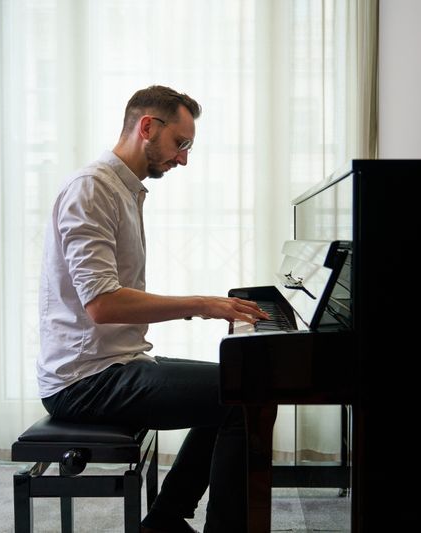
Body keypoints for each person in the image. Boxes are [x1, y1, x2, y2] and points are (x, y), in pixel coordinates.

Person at [36, 85, 268, 533]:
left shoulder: (122, 189)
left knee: (238, 385)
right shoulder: (92, 189)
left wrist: (205, 305)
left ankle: (163, 520)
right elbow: (102, 304)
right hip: (84, 380)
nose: (183, 158)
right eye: (181, 143)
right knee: (243, 400)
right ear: (147, 127)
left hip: (113, 364)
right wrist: (201, 304)